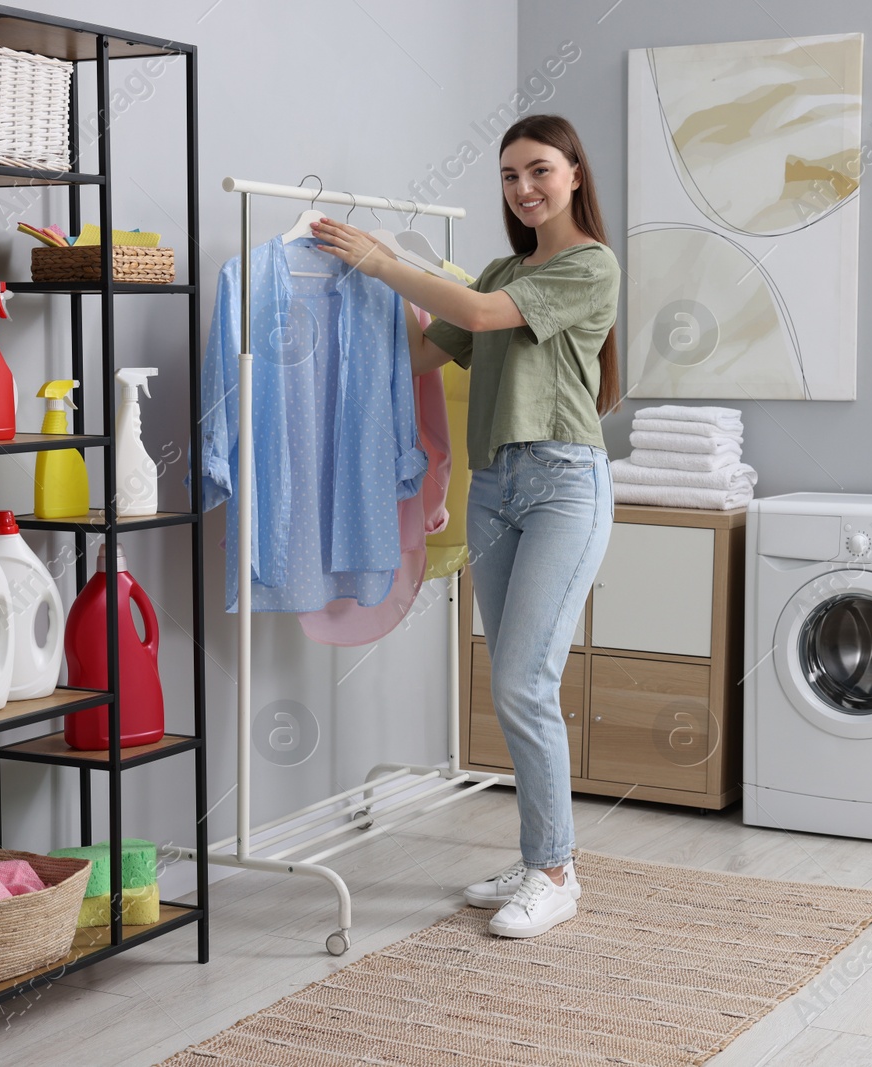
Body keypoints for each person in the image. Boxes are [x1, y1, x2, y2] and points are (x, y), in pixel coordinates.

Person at [311, 114, 621, 938]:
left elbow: (482, 318)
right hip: (495, 490)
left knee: (523, 682)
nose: (524, 188)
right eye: (511, 175)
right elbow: (426, 353)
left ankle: (556, 871)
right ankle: (538, 855)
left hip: (564, 485)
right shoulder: (497, 269)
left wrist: (386, 260)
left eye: (540, 171)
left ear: (575, 174)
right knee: (514, 684)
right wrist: (344, 298)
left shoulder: (592, 266)